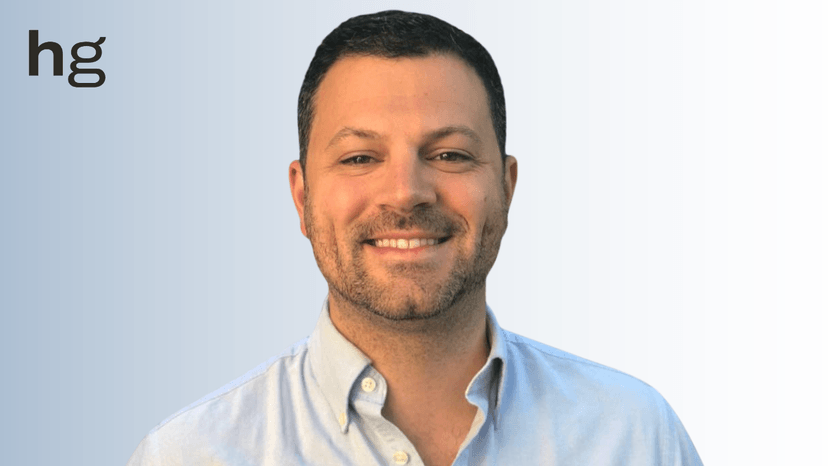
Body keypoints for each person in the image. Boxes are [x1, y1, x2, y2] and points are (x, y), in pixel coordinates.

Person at [127, 10, 703, 466]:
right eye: (359, 157)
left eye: (449, 154)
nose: (405, 192)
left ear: (506, 186)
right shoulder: (191, 455)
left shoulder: (633, 436)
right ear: (302, 197)